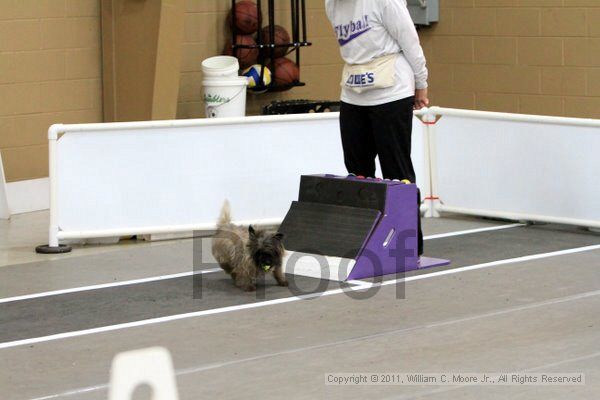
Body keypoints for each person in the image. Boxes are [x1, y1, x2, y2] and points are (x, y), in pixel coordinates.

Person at [325, 0, 429, 256]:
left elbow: (410, 40)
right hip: (353, 92)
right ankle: (366, 243)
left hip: (392, 91)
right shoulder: (331, 4)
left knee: (397, 170)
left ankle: (409, 245)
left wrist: (421, 82)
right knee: (357, 171)